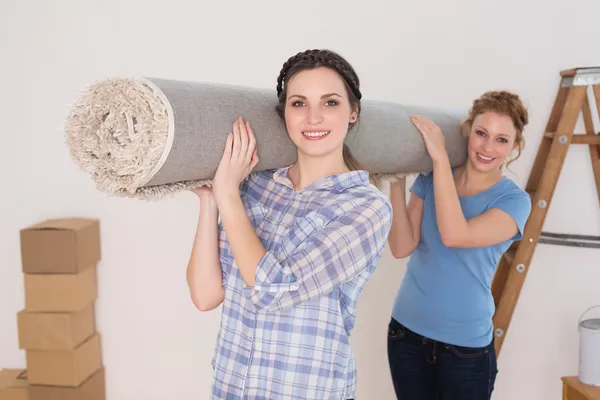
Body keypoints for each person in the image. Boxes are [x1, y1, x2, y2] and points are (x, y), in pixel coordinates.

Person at [186, 49, 393, 400]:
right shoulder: (255, 185)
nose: (313, 117)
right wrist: (211, 202)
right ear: (285, 114)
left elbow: (272, 290)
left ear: (353, 112)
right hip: (232, 387)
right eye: (299, 103)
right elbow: (206, 296)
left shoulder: (366, 208)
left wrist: (228, 194)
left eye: (330, 103)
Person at [386, 91, 532, 399]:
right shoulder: (430, 179)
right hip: (406, 334)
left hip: (465, 349)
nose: (487, 147)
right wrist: (396, 183)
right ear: (468, 130)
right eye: (481, 133)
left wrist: (439, 157)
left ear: (515, 146)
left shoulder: (514, 201)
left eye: (501, 140)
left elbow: (455, 235)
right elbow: (401, 247)